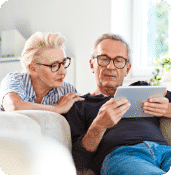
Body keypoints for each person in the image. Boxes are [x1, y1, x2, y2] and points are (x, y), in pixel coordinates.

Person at [64, 34, 171, 175]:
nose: (110, 66)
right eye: (104, 59)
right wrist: (99, 125)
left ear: (127, 69)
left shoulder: (142, 88)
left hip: (165, 152)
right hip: (123, 156)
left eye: (119, 61)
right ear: (92, 65)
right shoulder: (79, 105)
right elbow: (79, 161)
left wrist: (168, 109)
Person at [0, 32, 84, 113]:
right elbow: (13, 107)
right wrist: (57, 109)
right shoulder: (15, 80)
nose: (63, 71)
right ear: (33, 69)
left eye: (64, 63)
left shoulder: (67, 91)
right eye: (54, 65)